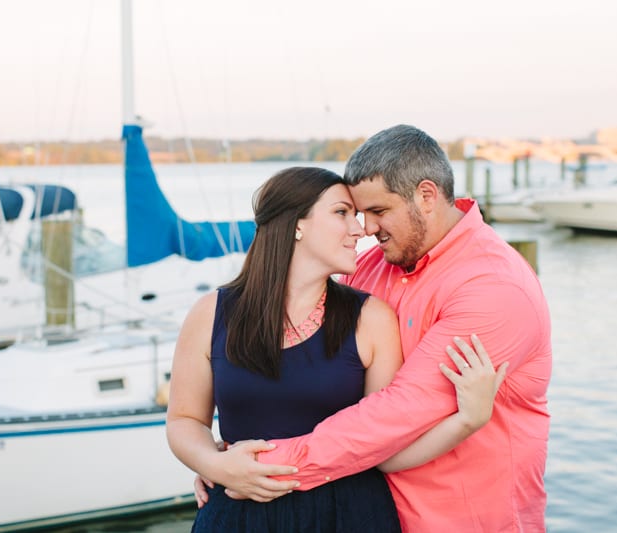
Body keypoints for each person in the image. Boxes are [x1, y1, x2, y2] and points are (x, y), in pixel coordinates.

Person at [208, 125, 552, 532]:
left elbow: (398, 413)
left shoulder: (493, 287)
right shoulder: (371, 268)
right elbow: (319, 374)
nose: (366, 228)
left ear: (426, 196)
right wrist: (220, 462)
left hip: (462, 520)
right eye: (356, 213)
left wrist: (258, 468)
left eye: (378, 211)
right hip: (366, 513)